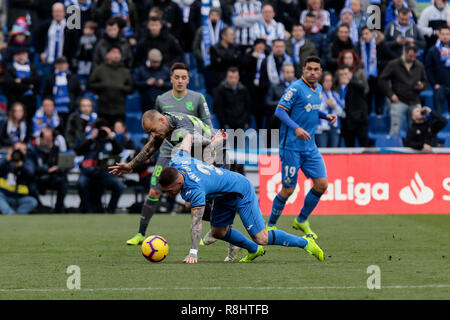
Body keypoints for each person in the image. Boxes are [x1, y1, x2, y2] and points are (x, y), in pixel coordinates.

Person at [158, 135, 325, 264]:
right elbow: (188, 137)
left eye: (170, 190)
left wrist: (193, 253)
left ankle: (304, 242)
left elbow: (196, 223)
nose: (168, 194)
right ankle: (254, 250)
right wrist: (211, 141)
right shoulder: (178, 159)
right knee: (218, 232)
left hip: (240, 190)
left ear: (179, 182)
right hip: (223, 194)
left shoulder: (195, 188)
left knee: (262, 238)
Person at [108, 110, 239, 261]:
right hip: (203, 157)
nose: (153, 135)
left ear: (162, 120)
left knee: (210, 202)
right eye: (150, 132)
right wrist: (130, 166)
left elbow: (205, 148)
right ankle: (221, 229)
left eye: (153, 131)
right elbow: (151, 147)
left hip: (216, 155)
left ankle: (226, 236)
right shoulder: (165, 126)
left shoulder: (182, 129)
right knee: (194, 203)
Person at [110, 63, 215, 245]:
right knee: (154, 190)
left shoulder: (198, 98)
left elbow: (207, 126)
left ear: (188, 79)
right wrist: (133, 164)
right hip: (167, 152)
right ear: (171, 79)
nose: (180, 80)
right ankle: (141, 233)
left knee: (194, 200)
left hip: (192, 152)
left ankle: (219, 228)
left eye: (184, 77)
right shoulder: (162, 99)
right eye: (177, 77)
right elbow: (156, 133)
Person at [266, 56, 337, 237]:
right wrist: (296, 128)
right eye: (309, 69)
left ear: (320, 72)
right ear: (303, 70)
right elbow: (279, 111)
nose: (312, 72)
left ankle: (301, 220)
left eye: (316, 69)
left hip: (310, 146)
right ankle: (271, 225)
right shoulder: (295, 88)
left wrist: (325, 116)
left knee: (322, 184)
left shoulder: (318, 89)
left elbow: (310, 108)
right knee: (288, 189)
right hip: (291, 147)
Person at [75, 119, 125, 213]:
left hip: (105, 173)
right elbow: (78, 151)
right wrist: (91, 138)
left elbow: (119, 151)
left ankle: (110, 211)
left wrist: (111, 138)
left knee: (119, 186)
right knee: (81, 183)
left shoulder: (109, 141)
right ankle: (87, 210)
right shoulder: (89, 139)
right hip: (88, 173)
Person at [379, 44, 428, 136]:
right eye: (410, 56)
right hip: (398, 100)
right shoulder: (394, 64)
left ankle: (416, 148)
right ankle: (393, 148)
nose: (413, 58)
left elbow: (425, 81)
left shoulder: (419, 65)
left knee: (417, 129)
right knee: (395, 129)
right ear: (405, 52)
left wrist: (422, 86)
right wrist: (390, 94)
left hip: (414, 100)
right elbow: (382, 79)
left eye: (415, 56)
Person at [88, 46, 134, 127]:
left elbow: (131, 88)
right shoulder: (99, 69)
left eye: (119, 53)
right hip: (103, 109)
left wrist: (121, 88)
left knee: (118, 135)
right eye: (114, 52)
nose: (116, 55)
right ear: (107, 55)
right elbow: (90, 85)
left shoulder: (125, 71)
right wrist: (103, 86)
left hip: (119, 110)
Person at [30, 126, 68, 213]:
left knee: (63, 183)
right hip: (37, 177)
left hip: (51, 177)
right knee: (30, 185)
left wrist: (59, 168)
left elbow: (59, 165)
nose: (49, 141)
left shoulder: (55, 149)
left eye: (51, 138)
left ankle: (58, 210)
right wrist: (46, 170)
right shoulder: (32, 149)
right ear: (41, 138)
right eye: (47, 139)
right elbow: (31, 168)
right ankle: (40, 209)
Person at [360, 26, 396, 115]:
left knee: (379, 106)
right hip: (366, 79)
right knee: (366, 106)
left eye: (367, 33)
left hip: (379, 78)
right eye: (363, 34)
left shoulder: (381, 44)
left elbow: (393, 60)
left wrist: (379, 63)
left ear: (373, 33)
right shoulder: (360, 45)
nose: (364, 36)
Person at [0, 141, 38, 214]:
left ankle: (17, 214)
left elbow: (31, 174)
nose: (18, 154)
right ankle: (10, 213)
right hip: (5, 194)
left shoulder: (28, 161)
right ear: (12, 150)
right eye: (17, 150)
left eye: (22, 150)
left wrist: (21, 166)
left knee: (32, 202)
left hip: (20, 197)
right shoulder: (5, 159)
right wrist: (6, 161)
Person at [4, 48, 40, 123]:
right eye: (18, 54)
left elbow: (37, 80)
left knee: (29, 122)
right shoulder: (9, 68)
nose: (21, 57)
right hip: (15, 99)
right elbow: (10, 84)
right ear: (14, 56)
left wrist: (22, 80)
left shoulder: (32, 67)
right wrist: (28, 86)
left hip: (30, 101)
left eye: (23, 54)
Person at [337, 65, 370, 147]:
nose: (343, 76)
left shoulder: (356, 82)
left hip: (359, 121)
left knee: (364, 146)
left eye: (346, 74)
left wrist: (349, 82)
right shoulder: (337, 87)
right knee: (349, 148)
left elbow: (362, 87)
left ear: (351, 74)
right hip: (346, 123)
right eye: (341, 74)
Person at [43, 56, 82, 122]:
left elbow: (78, 93)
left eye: (63, 63)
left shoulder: (74, 78)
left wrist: (74, 104)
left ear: (67, 65)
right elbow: (46, 93)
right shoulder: (51, 78)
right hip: (54, 109)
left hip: (70, 108)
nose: (61, 66)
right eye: (59, 64)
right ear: (55, 66)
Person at [315, 72, 345, 148]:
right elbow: (314, 111)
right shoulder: (316, 94)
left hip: (334, 127)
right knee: (323, 153)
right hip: (321, 128)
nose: (329, 83)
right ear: (322, 82)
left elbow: (342, 114)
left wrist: (334, 106)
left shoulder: (335, 95)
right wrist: (326, 104)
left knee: (334, 153)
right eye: (326, 81)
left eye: (330, 81)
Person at [425, 26, 450, 115]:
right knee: (438, 115)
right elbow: (428, 69)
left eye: (447, 34)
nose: (445, 36)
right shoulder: (433, 50)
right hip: (439, 86)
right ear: (439, 35)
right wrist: (434, 84)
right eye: (443, 34)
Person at [192, 7, 226, 71]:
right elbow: (195, 47)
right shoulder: (201, 30)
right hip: (206, 62)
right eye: (212, 15)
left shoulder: (225, 29)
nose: (214, 17)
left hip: (222, 62)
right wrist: (203, 57)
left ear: (220, 17)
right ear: (209, 16)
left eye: (216, 15)